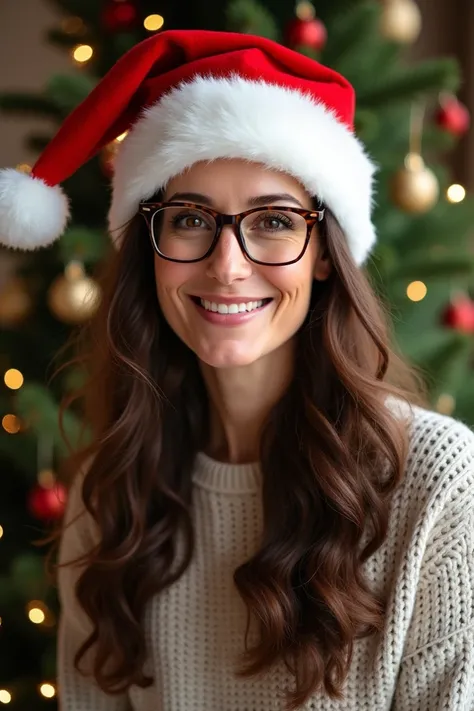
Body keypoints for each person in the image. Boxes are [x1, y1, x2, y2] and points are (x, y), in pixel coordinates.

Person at [0, 28, 473, 711]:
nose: (227, 265)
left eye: (274, 221)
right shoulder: (110, 499)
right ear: (151, 249)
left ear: (322, 252)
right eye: (190, 218)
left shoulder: (437, 481)